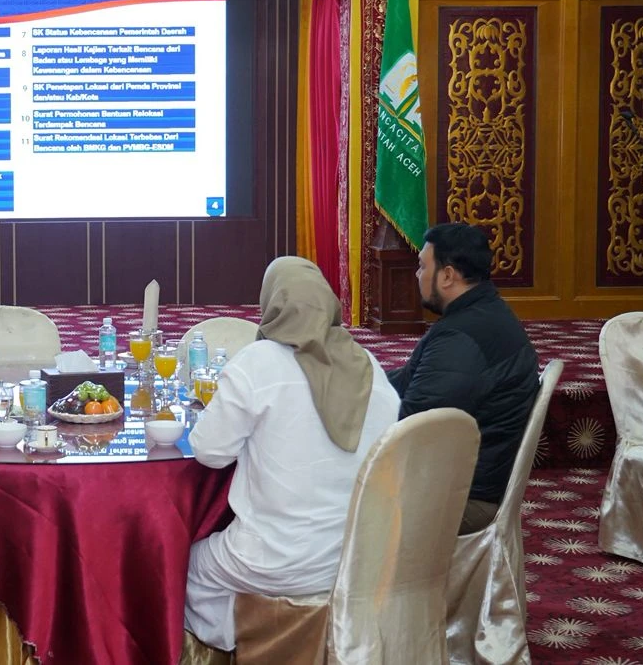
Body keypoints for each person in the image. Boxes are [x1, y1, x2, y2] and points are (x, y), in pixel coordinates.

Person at [184, 256, 400, 651]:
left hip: (274, 558)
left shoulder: (258, 362)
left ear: (270, 305)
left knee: (189, 567)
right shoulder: (367, 364)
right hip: (358, 558)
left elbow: (208, 451)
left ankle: (257, 649)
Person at [387, 222, 539, 535]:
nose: (417, 275)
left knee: (328, 494)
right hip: (466, 482)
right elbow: (409, 380)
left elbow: (414, 426)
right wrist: (361, 383)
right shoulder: (482, 313)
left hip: (461, 500)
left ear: (447, 276)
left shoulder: (462, 338)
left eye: (422, 266)